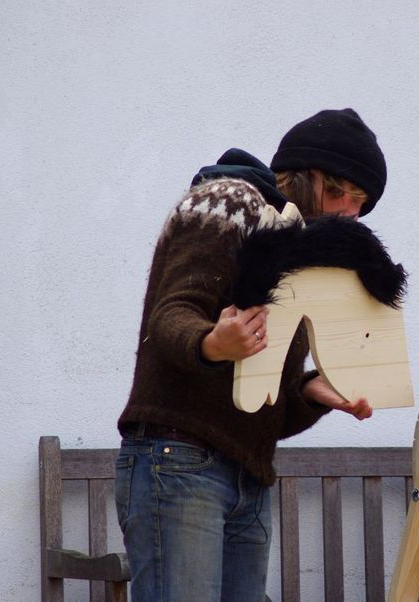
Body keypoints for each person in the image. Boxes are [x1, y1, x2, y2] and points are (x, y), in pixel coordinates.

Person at [115, 108, 388, 601]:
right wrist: (212, 342)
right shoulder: (228, 201)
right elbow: (171, 315)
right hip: (179, 461)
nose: (345, 212)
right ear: (302, 177)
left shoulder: (303, 252)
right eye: (335, 192)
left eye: (358, 202)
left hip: (249, 476)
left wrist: (312, 391)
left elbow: (264, 403)